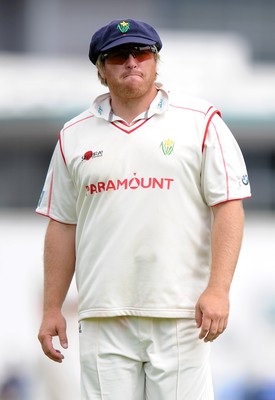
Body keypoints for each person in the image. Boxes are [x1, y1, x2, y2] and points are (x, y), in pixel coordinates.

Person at [36, 18, 251, 400]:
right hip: (103, 315)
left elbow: (228, 206)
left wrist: (219, 289)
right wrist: (52, 306)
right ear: (102, 69)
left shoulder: (200, 121)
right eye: (119, 55)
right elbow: (62, 225)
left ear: (155, 61)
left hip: (182, 312)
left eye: (142, 52)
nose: (132, 61)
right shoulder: (73, 135)